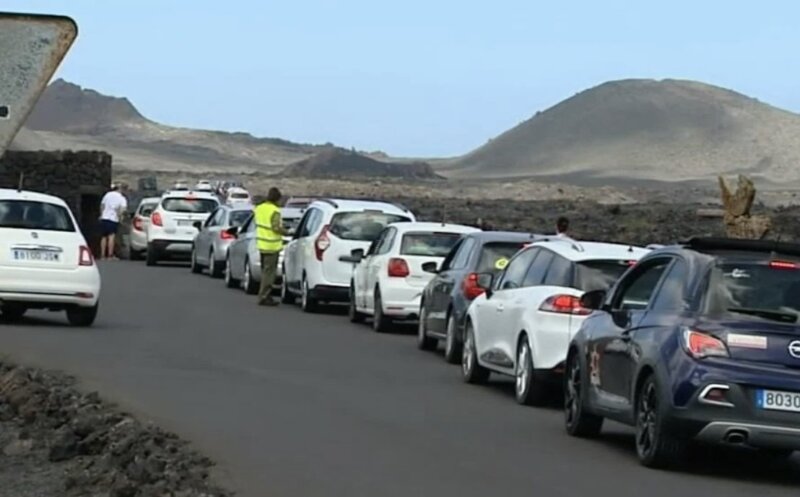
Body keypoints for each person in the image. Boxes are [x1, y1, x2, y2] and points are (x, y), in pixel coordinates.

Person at [254, 187, 286, 306]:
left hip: (262, 244)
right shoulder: (274, 211)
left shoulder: (259, 208)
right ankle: (264, 296)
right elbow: (276, 228)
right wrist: (287, 232)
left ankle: (265, 295)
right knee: (269, 274)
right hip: (272, 245)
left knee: (264, 272)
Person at [99, 184, 128, 260]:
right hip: (113, 218)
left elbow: (102, 205)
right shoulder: (122, 198)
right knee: (111, 236)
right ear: (121, 189)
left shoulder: (107, 195)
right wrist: (120, 218)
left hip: (104, 217)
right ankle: (110, 255)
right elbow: (122, 210)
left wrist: (101, 214)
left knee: (104, 236)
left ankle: (102, 255)